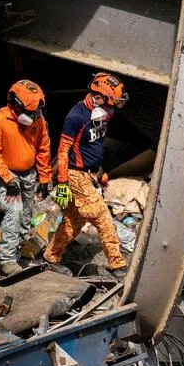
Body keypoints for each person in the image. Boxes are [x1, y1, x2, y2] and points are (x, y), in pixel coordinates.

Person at [43, 72, 129, 277]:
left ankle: (51, 256)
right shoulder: (76, 116)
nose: (112, 108)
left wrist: (99, 171)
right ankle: (118, 265)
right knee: (102, 216)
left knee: (75, 220)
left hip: (89, 174)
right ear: (98, 97)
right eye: (110, 102)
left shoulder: (104, 114)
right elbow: (63, 150)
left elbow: (95, 144)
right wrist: (62, 182)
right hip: (74, 174)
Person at [0, 80, 52, 276]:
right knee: (14, 212)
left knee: (26, 215)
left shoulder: (38, 121)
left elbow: (43, 149)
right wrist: (8, 179)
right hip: (7, 174)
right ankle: (7, 261)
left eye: (34, 113)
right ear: (14, 103)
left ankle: (21, 248)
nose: (32, 117)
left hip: (29, 175)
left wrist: (45, 177)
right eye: (29, 112)